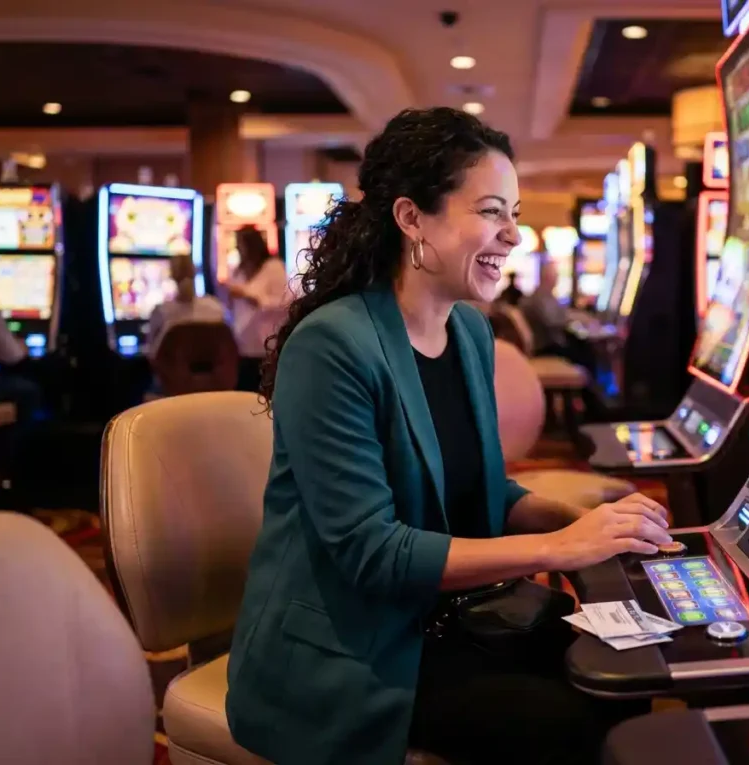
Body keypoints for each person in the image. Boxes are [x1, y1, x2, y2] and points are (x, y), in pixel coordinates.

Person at [225, 107, 670, 765]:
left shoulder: (468, 333)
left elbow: (480, 489)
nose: (514, 234)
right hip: (352, 652)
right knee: (566, 722)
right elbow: (370, 552)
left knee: (628, 667)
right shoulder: (332, 346)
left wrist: (588, 523)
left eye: (513, 212)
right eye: (492, 211)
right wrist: (558, 546)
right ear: (411, 219)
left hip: (448, 618)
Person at [222, 225, 290, 391]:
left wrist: (252, 298)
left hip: (267, 347)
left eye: (240, 243)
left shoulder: (274, 266)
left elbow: (285, 302)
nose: (237, 248)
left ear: (252, 244)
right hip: (242, 347)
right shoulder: (238, 271)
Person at [145, 254, 228, 358]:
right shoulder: (215, 307)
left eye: (186, 274)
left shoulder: (161, 312)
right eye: (182, 275)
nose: (185, 280)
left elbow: (152, 354)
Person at [519, 257, 572, 357]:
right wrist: (571, 319)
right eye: (555, 276)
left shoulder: (546, 295)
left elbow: (559, 313)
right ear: (547, 277)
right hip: (546, 347)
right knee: (585, 351)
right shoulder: (540, 297)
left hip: (548, 344)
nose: (557, 279)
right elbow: (551, 321)